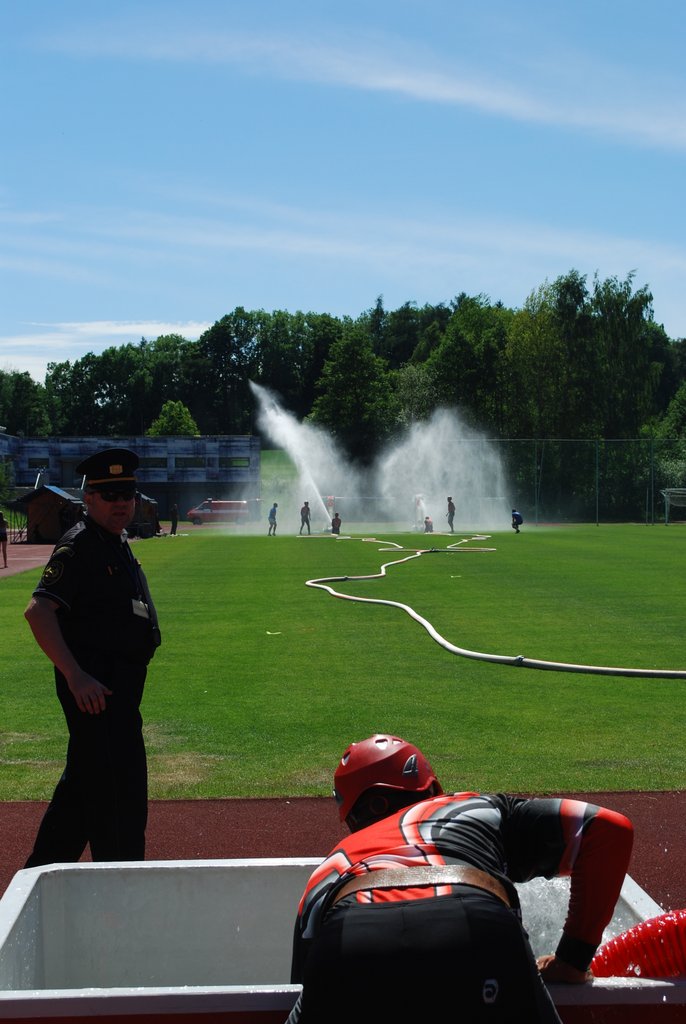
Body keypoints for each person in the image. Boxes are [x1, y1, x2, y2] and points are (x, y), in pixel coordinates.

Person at [286, 734, 633, 1023]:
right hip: (478, 924)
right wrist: (571, 961)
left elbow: (300, 986)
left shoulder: (331, 865)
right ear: (433, 786)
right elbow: (610, 831)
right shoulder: (476, 808)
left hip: (349, 934)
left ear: (351, 818)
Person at [23, 448, 161, 867]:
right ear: (89, 499)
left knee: (79, 802)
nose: (121, 502)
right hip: (98, 700)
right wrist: (75, 675)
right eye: (109, 494)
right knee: (119, 807)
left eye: (128, 493)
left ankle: (33, 890)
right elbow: (39, 611)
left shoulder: (112, 541)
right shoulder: (80, 546)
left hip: (117, 701)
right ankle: (121, 904)